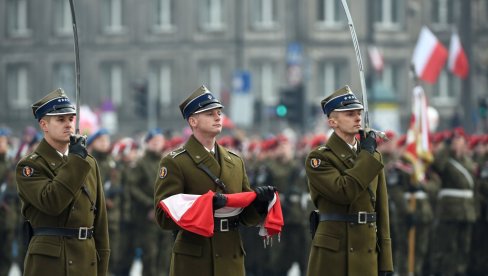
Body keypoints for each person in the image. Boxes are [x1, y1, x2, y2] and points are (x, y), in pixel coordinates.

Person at [154, 85, 276, 276]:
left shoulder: (235, 162)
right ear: (193, 121)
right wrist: (205, 206)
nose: (218, 117)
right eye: (210, 113)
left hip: (231, 255)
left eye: (219, 112)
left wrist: (259, 205)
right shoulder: (175, 162)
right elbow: (163, 216)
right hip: (195, 257)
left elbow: (244, 218)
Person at [15, 88, 110, 276]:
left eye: (70, 119)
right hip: (51, 263)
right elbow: (52, 202)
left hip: (86, 260)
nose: (68, 125)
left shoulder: (88, 162)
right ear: (44, 124)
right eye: (60, 120)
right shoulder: (30, 166)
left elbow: (100, 222)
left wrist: (102, 265)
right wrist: (75, 161)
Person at [305, 86, 393, 276]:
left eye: (358, 113)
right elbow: (344, 192)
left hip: (367, 250)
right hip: (335, 253)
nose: (357, 118)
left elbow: (382, 210)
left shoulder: (372, 156)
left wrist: (386, 262)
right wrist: (366, 156)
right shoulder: (319, 158)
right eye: (349, 114)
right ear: (332, 121)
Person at [87, 128, 123, 275]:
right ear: (92, 143)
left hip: (113, 217)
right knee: (95, 257)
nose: (104, 144)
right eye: (100, 141)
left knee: (113, 256)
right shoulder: (89, 161)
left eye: (106, 140)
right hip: (94, 218)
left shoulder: (112, 162)